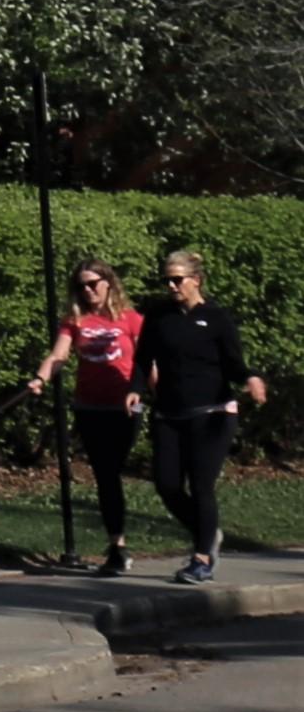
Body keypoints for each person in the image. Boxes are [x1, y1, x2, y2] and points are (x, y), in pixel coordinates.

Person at [130, 247, 269, 587]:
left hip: (212, 414)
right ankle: (208, 533)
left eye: (177, 279)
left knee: (201, 485)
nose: (171, 286)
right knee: (167, 484)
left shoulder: (216, 318)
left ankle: (202, 557)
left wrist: (250, 378)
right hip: (169, 413)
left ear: (196, 280)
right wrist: (135, 388)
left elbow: (234, 363)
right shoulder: (159, 316)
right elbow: (142, 359)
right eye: (167, 280)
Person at [25, 260, 146, 572]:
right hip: (89, 407)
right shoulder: (75, 320)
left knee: (113, 471)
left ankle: (119, 542)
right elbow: (59, 355)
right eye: (82, 286)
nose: (88, 290)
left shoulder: (131, 320)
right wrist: (40, 378)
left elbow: (148, 364)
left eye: (94, 283)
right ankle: (117, 546)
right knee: (106, 476)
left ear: (109, 283)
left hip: (125, 406)